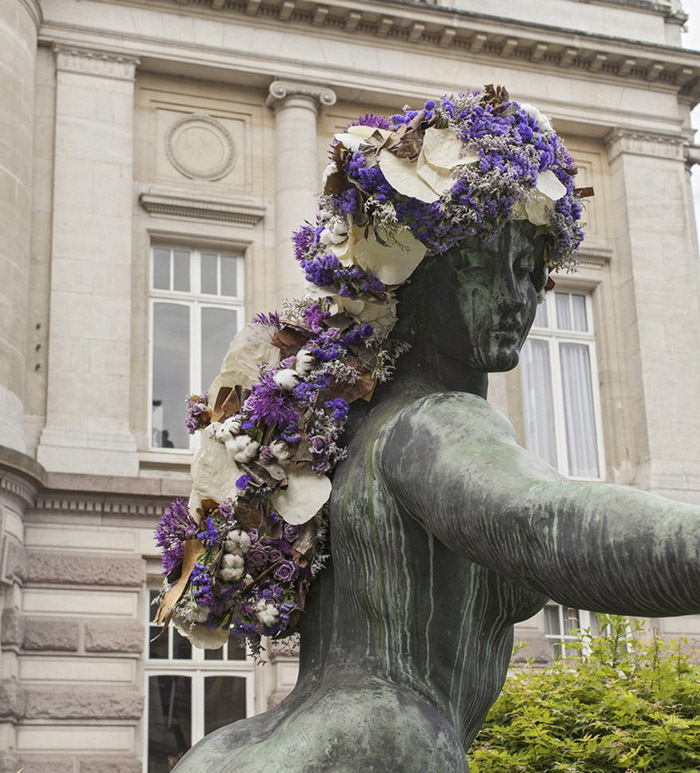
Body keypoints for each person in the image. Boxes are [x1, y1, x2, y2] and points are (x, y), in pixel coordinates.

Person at [167, 90, 700, 771]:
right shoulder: (432, 420)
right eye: (480, 267)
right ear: (412, 275)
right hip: (382, 740)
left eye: (529, 272)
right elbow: (548, 522)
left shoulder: (352, 433)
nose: (514, 298)